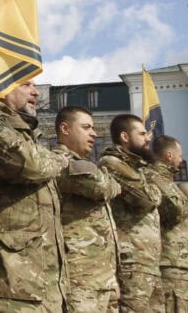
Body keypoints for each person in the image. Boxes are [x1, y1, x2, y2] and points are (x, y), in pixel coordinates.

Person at [0, 81, 69, 312]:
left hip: (45, 287)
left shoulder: (28, 135)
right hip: (7, 288)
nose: (36, 92)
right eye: (25, 84)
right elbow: (28, 163)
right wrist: (61, 159)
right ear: (0, 90)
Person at [53, 106, 121, 312]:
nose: (94, 133)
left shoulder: (85, 165)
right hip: (79, 278)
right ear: (65, 129)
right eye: (86, 127)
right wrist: (111, 183)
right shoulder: (61, 161)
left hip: (104, 278)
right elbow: (104, 187)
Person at [100, 114, 162, 311]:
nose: (148, 138)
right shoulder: (113, 163)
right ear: (125, 137)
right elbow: (148, 199)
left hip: (148, 262)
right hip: (132, 263)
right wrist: (154, 187)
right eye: (142, 133)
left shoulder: (137, 168)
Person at [146, 136, 188, 313]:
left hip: (181, 265)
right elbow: (177, 209)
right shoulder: (154, 176)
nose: (181, 159)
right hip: (170, 264)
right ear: (169, 155)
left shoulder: (167, 180)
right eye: (179, 155)